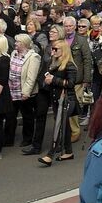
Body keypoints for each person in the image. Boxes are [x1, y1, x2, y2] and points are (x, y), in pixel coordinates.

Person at [38, 36, 80, 165]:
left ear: (63, 50)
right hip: (57, 99)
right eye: (52, 49)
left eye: (55, 49)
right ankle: (68, 151)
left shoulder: (69, 65)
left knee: (58, 127)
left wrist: (54, 80)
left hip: (67, 100)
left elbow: (71, 83)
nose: (53, 52)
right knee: (64, 125)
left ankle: (50, 154)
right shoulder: (53, 63)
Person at [10, 33, 42, 153]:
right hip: (12, 89)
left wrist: (26, 93)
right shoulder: (13, 53)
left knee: (27, 116)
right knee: (11, 114)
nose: (15, 43)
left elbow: (31, 78)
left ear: (23, 44)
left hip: (25, 92)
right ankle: (9, 138)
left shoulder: (34, 57)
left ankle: (27, 138)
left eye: (17, 42)